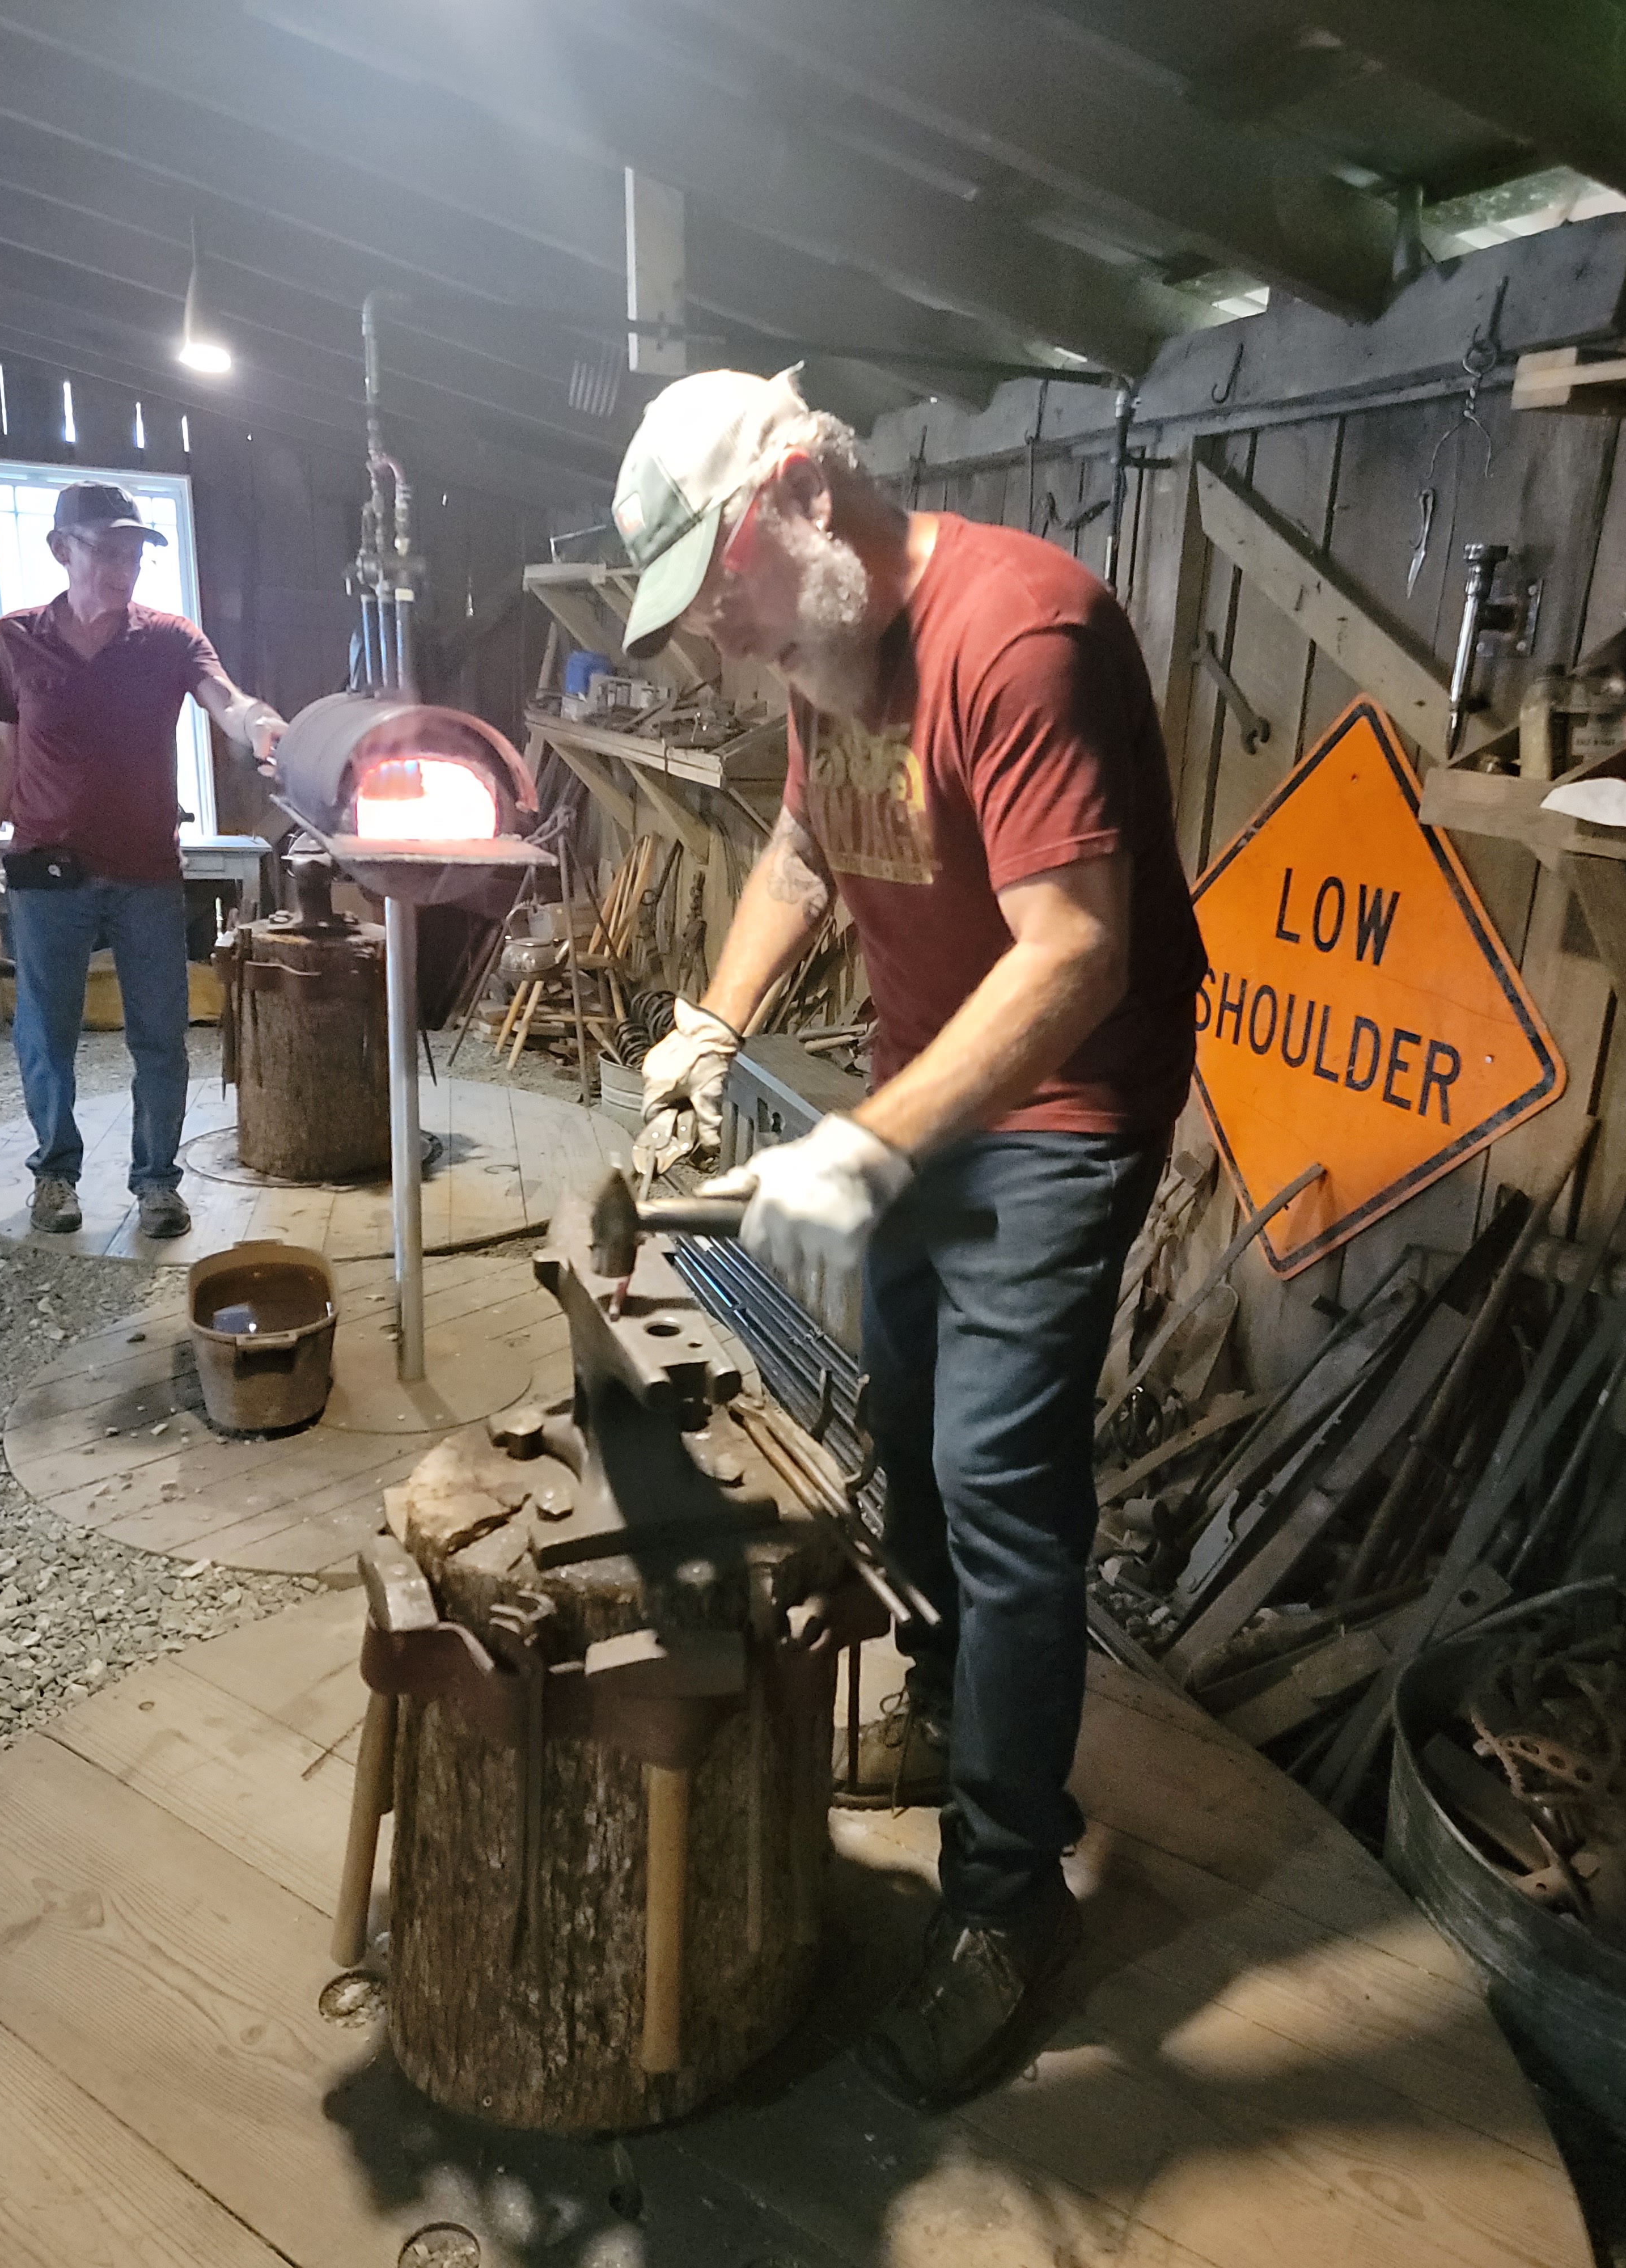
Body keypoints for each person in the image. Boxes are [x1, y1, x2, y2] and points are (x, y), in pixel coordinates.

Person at [616, 369, 1206, 2109]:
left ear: (804, 490)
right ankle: (953, 1704)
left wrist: (870, 1144)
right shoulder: (830, 649)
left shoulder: (1020, 636)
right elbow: (808, 851)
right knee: (906, 1425)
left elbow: (1078, 953)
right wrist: (711, 1028)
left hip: (1060, 1110)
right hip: (925, 1094)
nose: (717, 636)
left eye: (716, 585)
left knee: (1001, 1485)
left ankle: (1010, 1899)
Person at [0, 483, 286, 1239]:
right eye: (107, 550)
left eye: (135, 553)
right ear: (61, 550)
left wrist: (263, 727)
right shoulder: (18, 637)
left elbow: (227, 700)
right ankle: (56, 1174)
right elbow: (3, 747)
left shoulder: (169, 638)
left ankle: (157, 1182)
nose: (124, 567)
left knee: (160, 1036)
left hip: (145, 874)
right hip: (47, 873)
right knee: (46, 1035)